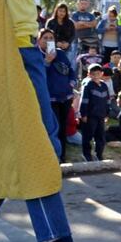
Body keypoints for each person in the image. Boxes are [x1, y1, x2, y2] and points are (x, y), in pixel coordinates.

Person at [39, 28, 75, 162]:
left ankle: (62, 157)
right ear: (39, 40)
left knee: (63, 127)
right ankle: (52, 157)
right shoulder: (37, 54)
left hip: (65, 97)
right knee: (53, 127)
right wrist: (47, 61)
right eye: (45, 38)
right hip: (50, 98)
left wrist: (72, 82)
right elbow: (38, 75)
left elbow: (70, 69)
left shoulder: (60, 53)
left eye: (51, 38)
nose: (48, 40)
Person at [79, 64, 111, 161]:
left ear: (102, 74)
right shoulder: (88, 86)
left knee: (100, 136)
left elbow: (108, 100)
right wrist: (83, 114)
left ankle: (99, 154)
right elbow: (84, 101)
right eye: (93, 74)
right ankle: (86, 154)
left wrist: (107, 113)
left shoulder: (104, 86)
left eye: (98, 73)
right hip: (90, 116)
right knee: (88, 136)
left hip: (101, 115)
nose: (96, 76)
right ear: (89, 74)